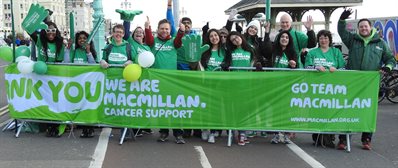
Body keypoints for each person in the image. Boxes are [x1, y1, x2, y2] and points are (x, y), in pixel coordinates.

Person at [337, 8, 396, 150]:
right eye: (361, 26)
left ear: (370, 28)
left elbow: (390, 59)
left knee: (368, 111)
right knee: (348, 110)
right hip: (352, 82)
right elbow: (342, 32)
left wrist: (387, 67)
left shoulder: (380, 43)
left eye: (366, 26)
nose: (363, 28)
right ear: (358, 29)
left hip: (370, 84)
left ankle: (366, 139)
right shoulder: (352, 40)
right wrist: (341, 19)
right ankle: (343, 140)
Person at [145, 17, 186, 144]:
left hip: (172, 80)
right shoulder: (153, 42)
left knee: (175, 107)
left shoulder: (174, 42)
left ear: (170, 30)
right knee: (162, 107)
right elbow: (148, 38)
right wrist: (147, 28)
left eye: (167, 29)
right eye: (162, 28)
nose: (164, 31)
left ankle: (178, 133)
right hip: (157, 81)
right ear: (157, 29)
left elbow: (179, 41)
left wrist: (181, 31)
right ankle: (163, 132)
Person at [27, 21, 66, 137]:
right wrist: (35, 19)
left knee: (55, 101)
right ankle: (49, 125)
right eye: (48, 30)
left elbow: (59, 62)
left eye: (53, 30)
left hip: (54, 78)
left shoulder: (60, 44)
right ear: (44, 32)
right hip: (41, 78)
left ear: (56, 31)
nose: (50, 33)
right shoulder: (40, 40)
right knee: (45, 102)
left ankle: (56, 125)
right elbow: (29, 30)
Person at [222, 31, 256, 146]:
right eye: (232, 40)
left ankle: (242, 133)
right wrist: (225, 65)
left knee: (244, 110)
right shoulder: (230, 51)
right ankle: (235, 132)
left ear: (240, 36)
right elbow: (225, 63)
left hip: (246, 85)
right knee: (234, 109)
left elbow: (255, 63)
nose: (236, 40)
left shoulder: (250, 50)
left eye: (236, 37)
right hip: (233, 85)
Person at [64, 31, 97, 137]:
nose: (82, 40)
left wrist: (88, 52)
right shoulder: (74, 51)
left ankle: (88, 128)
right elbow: (66, 63)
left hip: (87, 85)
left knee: (87, 106)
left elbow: (94, 66)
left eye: (84, 38)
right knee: (75, 105)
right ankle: (75, 124)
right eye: (80, 38)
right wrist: (68, 49)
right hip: (75, 84)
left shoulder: (91, 51)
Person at [199, 29, 226, 143]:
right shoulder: (205, 51)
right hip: (206, 84)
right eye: (211, 36)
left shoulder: (225, 51)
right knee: (205, 107)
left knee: (216, 108)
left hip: (220, 85)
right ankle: (205, 129)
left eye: (215, 35)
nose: (214, 38)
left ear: (219, 37)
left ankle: (213, 132)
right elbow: (199, 63)